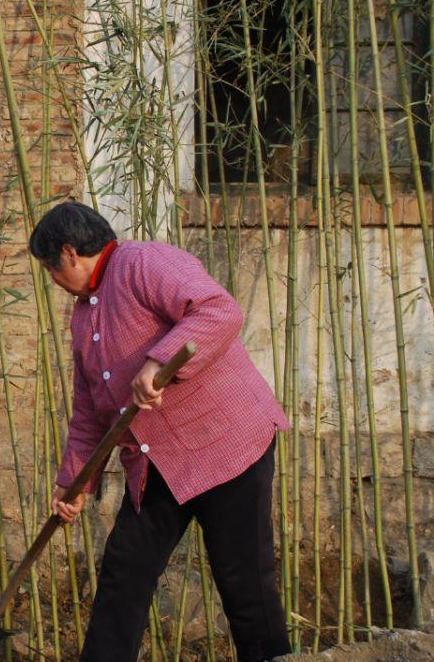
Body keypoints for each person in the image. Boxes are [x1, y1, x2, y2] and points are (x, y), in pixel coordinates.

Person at [30, 201, 290, 662]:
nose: (53, 280)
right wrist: (73, 485)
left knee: (244, 582)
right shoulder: (83, 316)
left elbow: (218, 310)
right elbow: (88, 411)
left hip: (225, 447)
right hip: (156, 465)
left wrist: (158, 359)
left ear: (69, 253)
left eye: (50, 269)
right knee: (123, 575)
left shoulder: (143, 261)